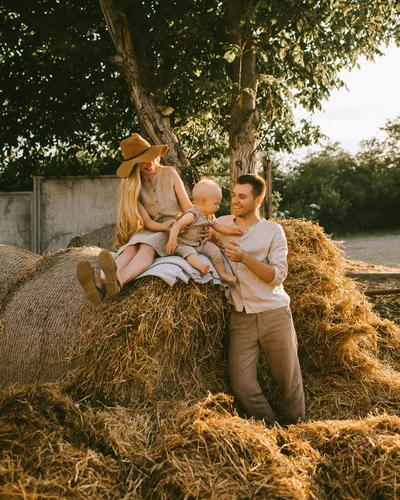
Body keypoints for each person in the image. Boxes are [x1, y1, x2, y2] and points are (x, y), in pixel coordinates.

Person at [213, 173, 305, 426]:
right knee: (242, 385)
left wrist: (244, 258)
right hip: (240, 316)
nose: (235, 200)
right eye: (233, 195)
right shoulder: (220, 224)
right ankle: (272, 429)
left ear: (259, 199)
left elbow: (277, 276)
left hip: (273, 313)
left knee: (288, 379)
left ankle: (298, 430)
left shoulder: (273, 231)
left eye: (242, 196)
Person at [76, 133, 193, 306]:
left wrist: (179, 225)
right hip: (154, 228)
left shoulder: (170, 173)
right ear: (134, 166)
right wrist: (162, 229)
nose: (150, 163)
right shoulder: (134, 188)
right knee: (130, 248)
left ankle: (119, 280)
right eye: (143, 161)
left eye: (151, 157)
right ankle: (101, 284)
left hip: (178, 226)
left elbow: (188, 207)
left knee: (146, 247)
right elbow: (147, 222)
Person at [165, 179, 243, 283]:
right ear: (203, 201)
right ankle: (201, 266)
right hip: (185, 244)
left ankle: (222, 273)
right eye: (216, 203)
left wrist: (233, 231)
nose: (218, 207)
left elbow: (219, 227)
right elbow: (176, 226)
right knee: (190, 254)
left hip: (200, 244)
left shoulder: (210, 215)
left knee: (215, 250)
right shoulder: (192, 215)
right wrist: (172, 240)